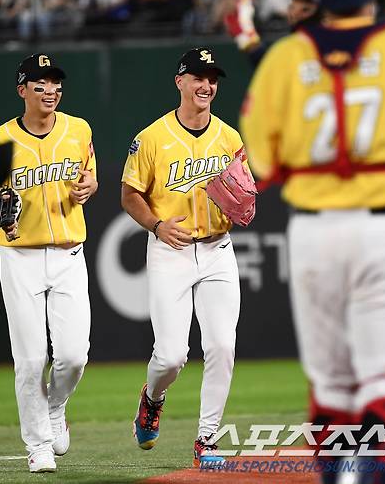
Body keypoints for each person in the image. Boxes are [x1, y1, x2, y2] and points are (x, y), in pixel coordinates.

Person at [240, 0, 385, 483]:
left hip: (314, 233)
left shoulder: (286, 58)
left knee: (334, 388)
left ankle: (339, 476)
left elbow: (259, 168)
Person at [122, 47, 253, 467]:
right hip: (170, 250)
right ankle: (153, 397)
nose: (206, 85)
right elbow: (129, 195)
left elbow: (244, 190)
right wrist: (157, 226)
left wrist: (245, 202)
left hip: (218, 249)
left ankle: (207, 440)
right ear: (179, 82)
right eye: (198, 77)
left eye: (212, 78)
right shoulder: (152, 137)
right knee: (171, 355)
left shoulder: (230, 137)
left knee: (222, 345)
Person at [0, 53, 97, 473]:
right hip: (19, 256)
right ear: (22, 90)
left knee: (74, 355)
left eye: (56, 83)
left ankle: (55, 408)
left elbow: (89, 177)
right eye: (41, 84)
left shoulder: (78, 129)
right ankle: (38, 446)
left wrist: (88, 187)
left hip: (68, 252)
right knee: (29, 360)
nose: (51, 90)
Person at [224, 0, 320, 69]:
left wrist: (250, 42)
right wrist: (250, 44)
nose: (291, 9)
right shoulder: (292, 44)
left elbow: (278, 68)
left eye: (305, 7)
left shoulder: (318, 44)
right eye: (292, 4)